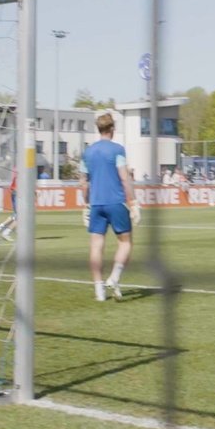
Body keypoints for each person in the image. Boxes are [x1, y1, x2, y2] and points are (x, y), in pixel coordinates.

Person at [81, 113, 140, 301]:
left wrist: (86, 204)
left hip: (96, 203)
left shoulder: (88, 152)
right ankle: (114, 278)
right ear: (112, 129)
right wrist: (133, 202)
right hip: (116, 202)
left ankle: (99, 290)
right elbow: (124, 178)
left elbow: (83, 182)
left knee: (96, 246)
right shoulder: (117, 150)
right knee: (125, 242)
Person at [0, 170, 18, 241]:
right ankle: (6, 233)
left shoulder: (20, 171)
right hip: (17, 193)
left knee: (15, 215)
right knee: (20, 217)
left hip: (14, 193)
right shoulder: (24, 172)